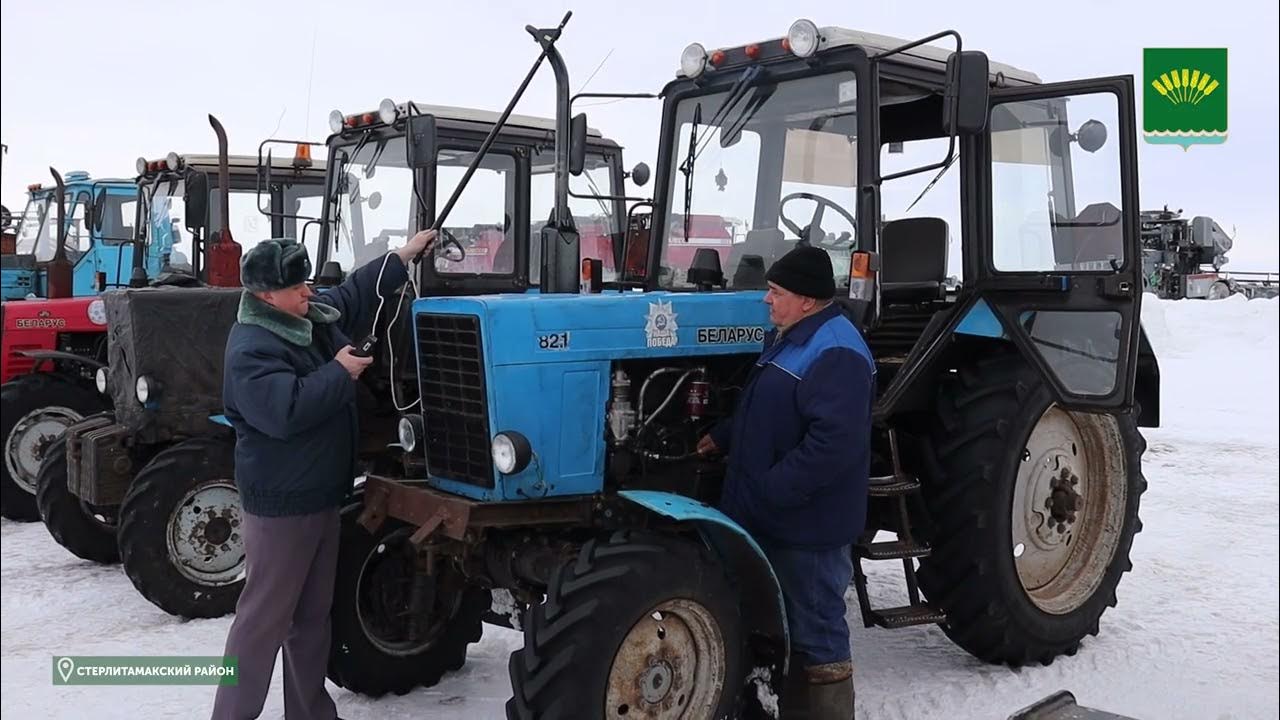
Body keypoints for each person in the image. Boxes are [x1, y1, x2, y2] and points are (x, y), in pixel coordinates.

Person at [211, 229, 436, 720]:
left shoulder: (305, 314)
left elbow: (351, 293)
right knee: (261, 624)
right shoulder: (251, 348)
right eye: (297, 289)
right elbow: (286, 412)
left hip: (320, 499)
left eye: (307, 284)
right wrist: (339, 372)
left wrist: (400, 257)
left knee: (311, 621)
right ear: (265, 296)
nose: (309, 293)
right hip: (282, 510)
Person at [697, 245, 875, 720]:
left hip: (806, 526)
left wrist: (772, 490)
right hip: (768, 513)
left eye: (775, 292)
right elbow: (768, 407)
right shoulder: (790, 336)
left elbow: (834, 446)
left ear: (808, 300)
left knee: (816, 630)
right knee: (765, 623)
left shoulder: (836, 352)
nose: (766, 300)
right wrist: (723, 436)